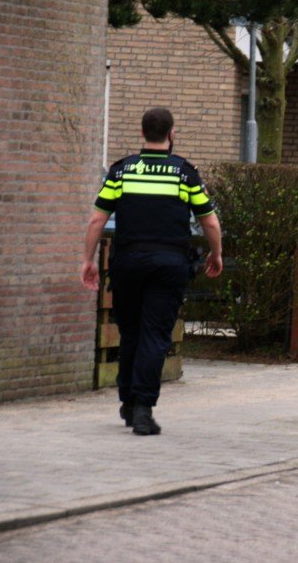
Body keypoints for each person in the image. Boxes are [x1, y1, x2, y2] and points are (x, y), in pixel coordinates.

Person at [81, 107, 222, 436]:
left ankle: (129, 402)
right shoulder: (184, 173)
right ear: (171, 134)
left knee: (130, 333)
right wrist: (216, 254)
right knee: (155, 335)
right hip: (168, 265)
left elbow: (97, 219)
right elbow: (210, 222)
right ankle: (143, 409)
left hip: (127, 263)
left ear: (142, 133)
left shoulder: (122, 171)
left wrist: (87, 260)